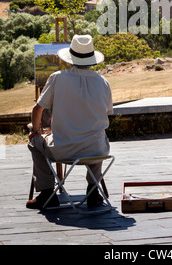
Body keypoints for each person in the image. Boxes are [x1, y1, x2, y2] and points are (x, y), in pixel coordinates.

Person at [26, 34, 113, 210]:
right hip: (97, 150)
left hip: (64, 149)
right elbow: (106, 113)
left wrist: (35, 131)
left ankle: (47, 193)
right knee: (97, 137)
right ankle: (93, 190)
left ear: (70, 58)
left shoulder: (58, 78)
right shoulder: (103, 82)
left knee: (34, 141)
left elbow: (37, 110)